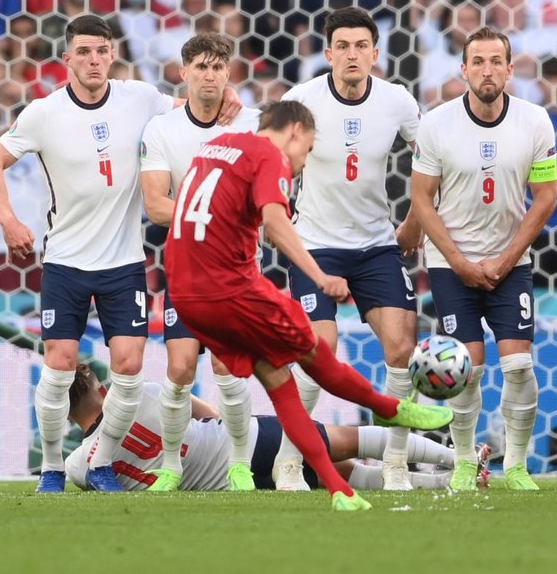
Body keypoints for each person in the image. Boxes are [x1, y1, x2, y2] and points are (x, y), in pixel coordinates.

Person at [0, 15, 239, 493]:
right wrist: (10, 221)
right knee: (59, 362)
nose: (94, 60)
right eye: (84, 52)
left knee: (130, 366)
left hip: (122, 261)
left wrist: (228, 96)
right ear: (67, 59)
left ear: (112, 54)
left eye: (101, 51)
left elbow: (193, 106)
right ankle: (53, 466)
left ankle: (101, 460)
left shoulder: (138, 97)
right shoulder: (44, 113)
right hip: (66, 260)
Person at [164, 100, 453, 511]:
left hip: (186, 297)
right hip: (231, 292)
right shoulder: (269, 154)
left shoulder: (215, 146)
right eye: (309, 149)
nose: (302, 162)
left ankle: (337, 487)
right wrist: (319, 275)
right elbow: (276, 219)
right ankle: (391, 409)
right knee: (320, 359)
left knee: (280, 381)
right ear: (296, 131)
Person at [278, 7, 423, 491]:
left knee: (403, 348)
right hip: (316, 245)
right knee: (320, 351)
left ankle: (397, 462)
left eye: (361, 46)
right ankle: (289, 461)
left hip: (376, 244)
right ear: (328, 53)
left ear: (375, 53)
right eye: (343, 46)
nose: (352, 54)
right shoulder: (302, 100)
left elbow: (433, 166)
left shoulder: (398, 102)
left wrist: (414, 225)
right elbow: (273, 163)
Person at [409, 27, 556, 491]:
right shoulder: (436, 124)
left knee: (518, 367)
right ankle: (466, 462)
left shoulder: (535, 121)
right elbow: (422, 200)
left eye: (496, 61)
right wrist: (459, 262)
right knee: (465, 372)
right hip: (451, 266)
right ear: (463, 69)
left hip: (511, 264)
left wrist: (508, 258)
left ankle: (515, 465)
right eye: (478, 61)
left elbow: (546, 198)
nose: (487, 70)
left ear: (510, 69)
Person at [139, 33, 261, 492]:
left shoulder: (250, 124)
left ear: (228, 74)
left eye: (217, 68)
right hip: (188, 267)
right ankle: (170, 466)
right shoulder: (162, 130)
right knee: (180, 369)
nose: (208, 76)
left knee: (230, 368)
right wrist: (217, 213)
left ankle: (240, 465)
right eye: (200, 67)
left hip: (237, 267)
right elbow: (154, 203)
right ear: (183, 72)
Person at [64, 363, 482, 492]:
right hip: (236, 446)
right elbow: (199, 409)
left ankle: (446, 483)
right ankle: (458, 458)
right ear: (102, 390)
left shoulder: (78, 465)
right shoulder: (140, 393)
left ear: (65, 417)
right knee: (336, 443)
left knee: (336, 475)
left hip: (220, 489)